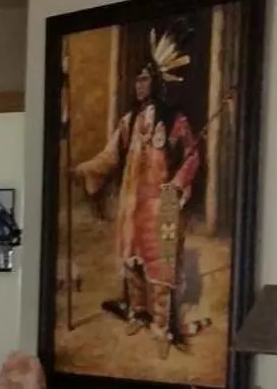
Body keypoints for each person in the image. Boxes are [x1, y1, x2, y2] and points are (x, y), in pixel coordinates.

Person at [75, 24, 203, 343]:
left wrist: (177, 184)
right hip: (133, 201)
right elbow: (110, 155)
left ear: (156, 82)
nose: (138, 85)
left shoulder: (174, 120)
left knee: (159, 262)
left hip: (161, 201)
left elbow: (192, 156)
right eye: (136, 80)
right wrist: (85, 169)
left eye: (144, 79)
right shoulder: (129, 121)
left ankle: (161, 324)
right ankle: (137, 311)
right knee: (132, 258)